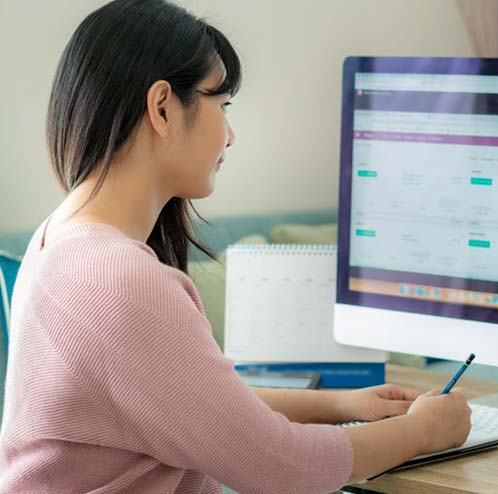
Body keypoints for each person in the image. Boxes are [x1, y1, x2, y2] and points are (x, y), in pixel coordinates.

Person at [0, 1, 471, 492]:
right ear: (162, 107)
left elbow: (196, 404)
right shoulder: (119, 280)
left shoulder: (60, 238)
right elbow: (286, 467)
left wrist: (342, 404)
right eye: (222, 105)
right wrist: (424, 431)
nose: (230, 133)